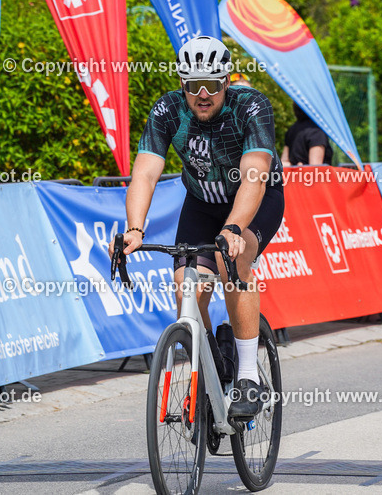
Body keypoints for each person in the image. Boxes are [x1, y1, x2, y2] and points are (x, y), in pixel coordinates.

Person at [110, 36, 284, 418]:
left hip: (255, 198)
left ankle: (248, 378)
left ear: (226, 81)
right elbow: (145, 174)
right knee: (185, 286)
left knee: (232, 260)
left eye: (211, 85)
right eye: (193, 85)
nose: (202, 94)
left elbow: (254, 176)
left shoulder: (251, 106)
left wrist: (234, 228)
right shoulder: (168, 110)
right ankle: (215, 365)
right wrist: (135, 229)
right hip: (203, 203)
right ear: (182, 83)